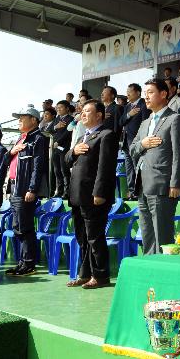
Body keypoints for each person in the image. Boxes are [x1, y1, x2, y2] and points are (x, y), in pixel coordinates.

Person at [65, 99, 118, 289]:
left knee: (95, 238)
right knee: (82, 238)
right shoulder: (81, 138)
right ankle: (84, 274)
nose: (83, 114)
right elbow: (66, 160)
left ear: (99, 115)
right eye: (82, 111)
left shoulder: (106, 135)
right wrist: (73, 151)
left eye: (88, 111)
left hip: (94, 196)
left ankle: (101, 275)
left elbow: (105, 167)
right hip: (77, 196)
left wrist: (99, 192)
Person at [130, 79, 180, 255]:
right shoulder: (145, 122)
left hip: (162, 185)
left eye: (150, 92)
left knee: (162, 235)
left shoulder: (175, 119)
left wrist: (175, 183)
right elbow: (132, 149)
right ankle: (149, 270)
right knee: (147, 234)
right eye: (145, 93)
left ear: (163, 94)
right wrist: (143, 144)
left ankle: (165, 273)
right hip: (142, 185)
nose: (146, 96)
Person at [5, 104, 49, 277]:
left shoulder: (38, 138)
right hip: (15, 186)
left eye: (22, 117)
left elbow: (38, 166)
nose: (19, 120)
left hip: (25, 189)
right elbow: (7, 160)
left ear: (33, 120)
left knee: (25, 227)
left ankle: (29, 263)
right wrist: (11, 152)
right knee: (17, 226)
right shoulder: (21, 138)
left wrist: (32, 189)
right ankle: (21, 262)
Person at [121, 83, 149, 199]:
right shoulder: (127, 106)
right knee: (129, 168)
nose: (127, 94)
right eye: (127, 91)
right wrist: (128, 114)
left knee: (137, 166)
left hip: (137, 142)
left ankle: (140, 191)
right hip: (126, 142)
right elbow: (121, 122)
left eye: (130, 91)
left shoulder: (144, 104)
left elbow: (145, 123)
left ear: (138, 93)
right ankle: (132, 191)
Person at [50, 100, 74, 198]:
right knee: (56, 170)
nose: (58, 109)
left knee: (65, 170)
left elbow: (68, 133)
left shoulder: (71, 119)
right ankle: (59, 191)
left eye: (61, 107)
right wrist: (56, 126)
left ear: (67, 108)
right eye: (57, 107)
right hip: (55, 148)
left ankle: (67, 192)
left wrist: (58, 142)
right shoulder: (56, 119)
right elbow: (48, 130)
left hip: (64, 147)